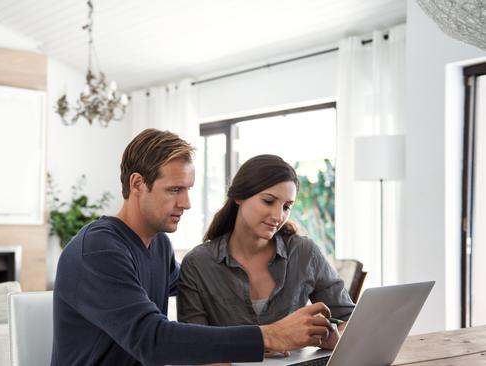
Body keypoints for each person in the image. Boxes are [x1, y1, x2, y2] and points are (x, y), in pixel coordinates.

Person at [52, 130, 335, 366]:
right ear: (137, 183)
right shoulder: (99, 250)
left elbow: (202, 280)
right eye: (175, 190)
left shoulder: (159, 244)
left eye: (188, 189)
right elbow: (153, 340)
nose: (186, 203)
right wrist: (268, 336)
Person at [177, 154, 355, 351]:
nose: (279, 216)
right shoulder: (198, 264)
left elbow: (351, 321)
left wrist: (335, 339)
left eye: (287, 206)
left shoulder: (304, 252)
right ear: (239, 196)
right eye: (268, 201)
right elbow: (193, 346)